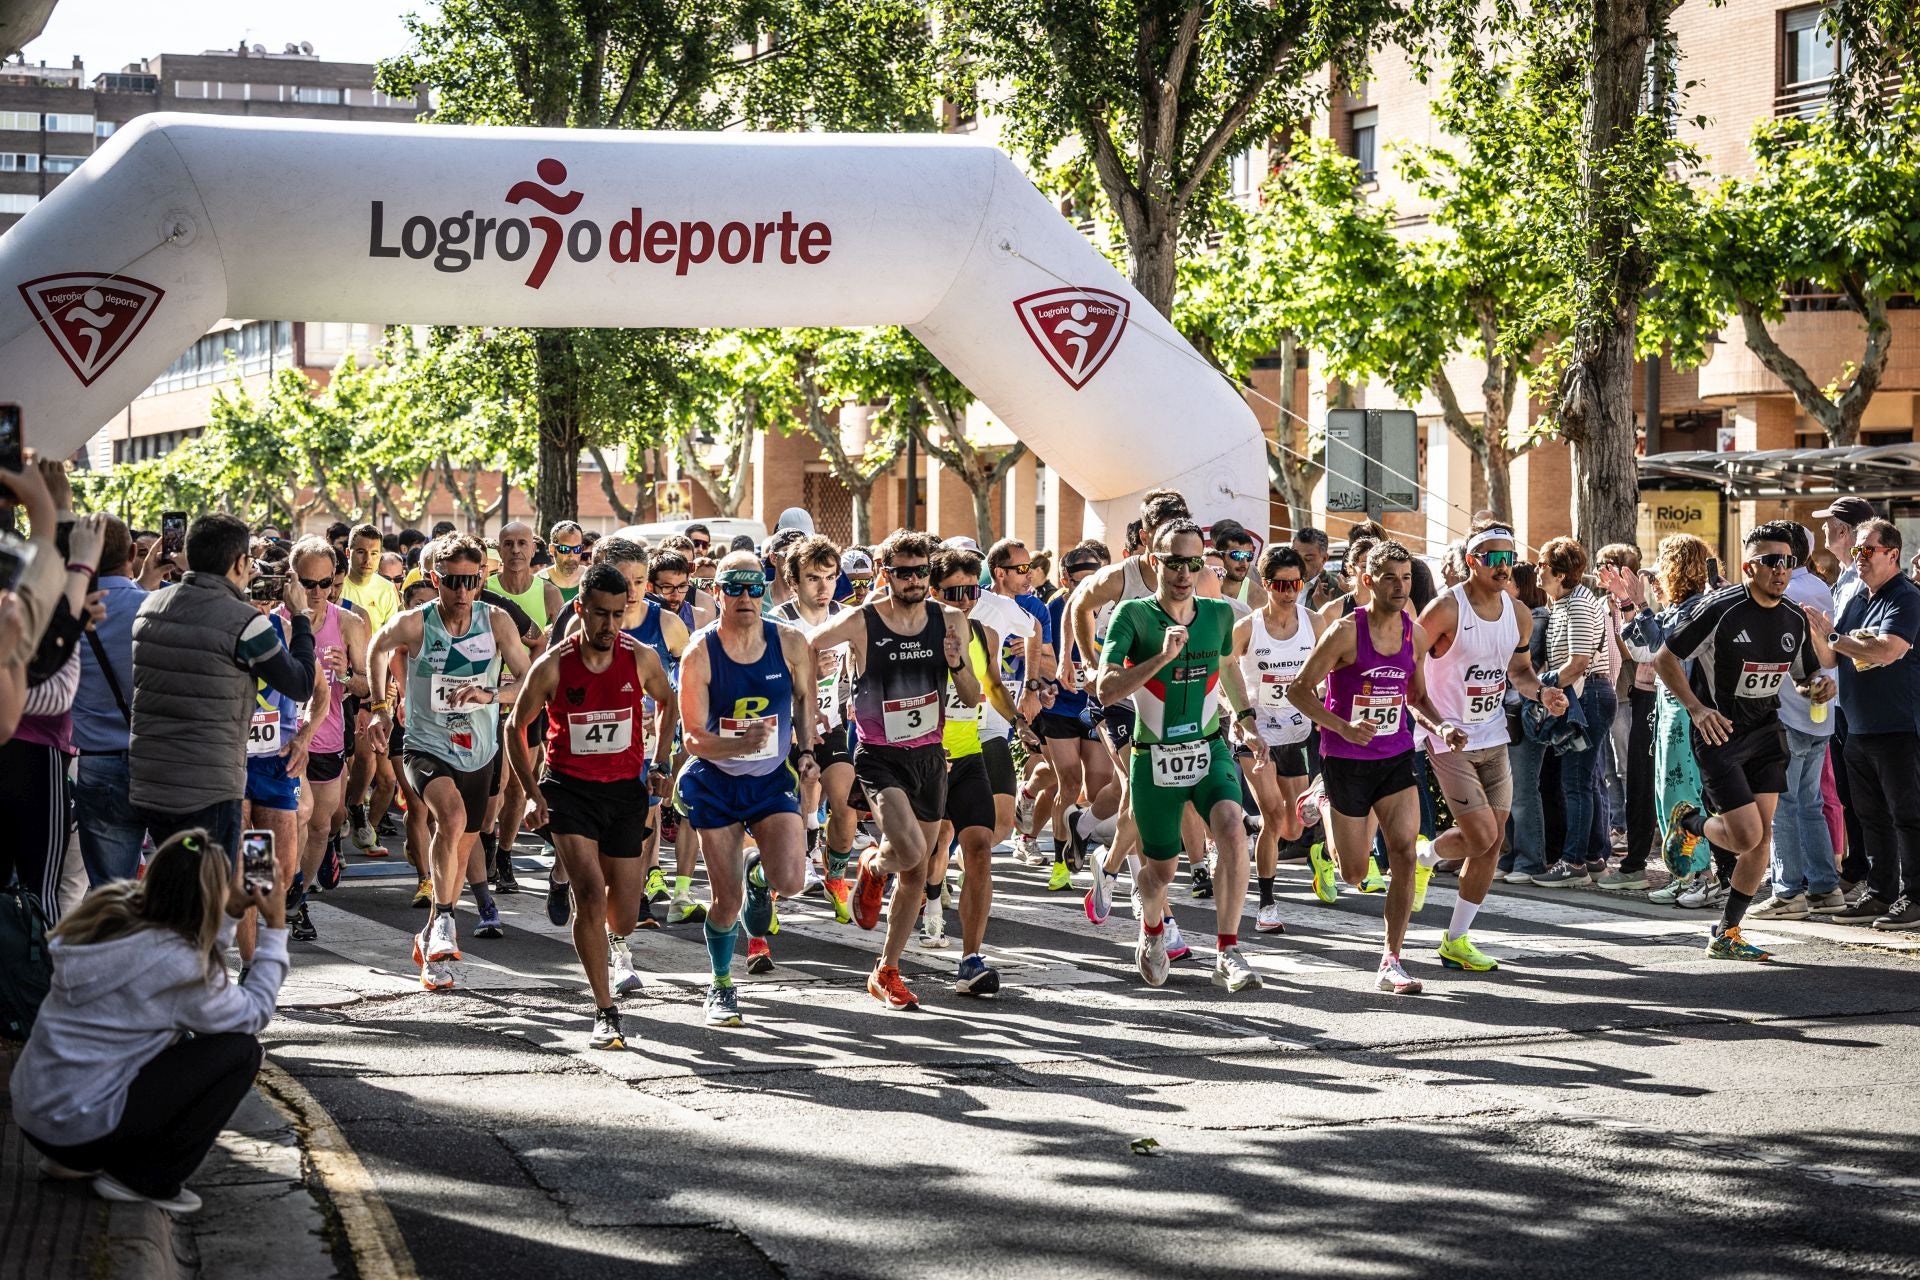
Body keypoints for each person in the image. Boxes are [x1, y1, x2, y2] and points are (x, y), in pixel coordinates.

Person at [13, 828, 287, 1215]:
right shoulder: (177, 965)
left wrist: (230, 912)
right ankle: (142, 1178)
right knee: (240, 1051)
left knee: (167, 1039)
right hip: (77, 1126)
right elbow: (254, 1011)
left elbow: (193, 952)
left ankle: (76, 1159)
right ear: (207, 897)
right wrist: (274, 927)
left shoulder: (112, 912)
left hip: (36, 1111)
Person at [807, 530, 979, 1010]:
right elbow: (803, 645)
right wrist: (812, 701)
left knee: (918, 871)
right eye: (903, 572)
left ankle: (887, 970)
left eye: (922, 571)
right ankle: (871, 863)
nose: (914, 580)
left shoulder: (949, 620)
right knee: (909, 849)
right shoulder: (862, 621)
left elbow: (968, 696)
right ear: (885, 573)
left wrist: (958, 662)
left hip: (929, 755)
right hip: (880, 757)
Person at [509, 564, 677, 1049]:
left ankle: (615, 939)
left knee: (622, 914)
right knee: (589, 891)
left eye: (617, 615)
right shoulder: (555, 665)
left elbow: (668, 703)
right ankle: (605, 1010)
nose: (609, 625)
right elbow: (514, 728)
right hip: (569, 789)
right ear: (580, 609)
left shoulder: (639, 657)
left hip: (624, 791)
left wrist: (660, 760)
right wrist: (533, 795)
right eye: (599, 614)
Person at [1289, 541, 1466, 995]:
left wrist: (1442, 727)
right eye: (1390, 577)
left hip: (1394, 756)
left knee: (1404, 852)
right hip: (1345, 760)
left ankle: (1392, 959)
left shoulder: (1416, 635)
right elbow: (1299, 691)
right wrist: (1344, 728)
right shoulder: (1345, 632)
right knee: (1352, 873)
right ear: (1368, 580)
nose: (1400, 586)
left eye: (1406, 578)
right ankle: (1323, 797)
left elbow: (1417, 697)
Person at [1096, 519, 1264, 993]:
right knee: (1161, 872)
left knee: (1233, 828)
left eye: (1193, 562)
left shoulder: (1218, 614)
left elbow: (1226, 667)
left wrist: (1246, 720)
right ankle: (1151, 930)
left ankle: (1227, 950)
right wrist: (1161, 659)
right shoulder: (1134, 615)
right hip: (1154, 756)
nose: (1184, 572)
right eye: (1173, 561)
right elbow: (1106, 689)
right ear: (1155, 562)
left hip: (1209, 748)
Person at [1654, 522, 1834, 960]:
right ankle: (1691, 823)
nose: (1781, 570)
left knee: (1761, 838)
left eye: (1788, 561)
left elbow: (1805, 675)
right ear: (1748, 566)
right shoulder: (1721, 608)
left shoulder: (1793, 615)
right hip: (1721, 733)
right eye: (1772, 561)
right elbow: (1664, 658)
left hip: (1767, 732)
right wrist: (1698, 709)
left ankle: (1727, 932)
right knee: (1745, 837)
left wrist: (1818, 687)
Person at [366, 535, 532, 988]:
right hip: (426, 744)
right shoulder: (415, 623)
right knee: (451, 817)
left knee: (460, 849)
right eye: (453, 581)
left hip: (480, 751)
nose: (462, 591)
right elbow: (377, 647)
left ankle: (429, 945)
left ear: (481, 579)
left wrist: (490, 696)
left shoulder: (495, 621)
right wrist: (381, 707)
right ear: (435, 579)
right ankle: (443, 920)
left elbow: (528, 678)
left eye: (471, 581)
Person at [677, 551, 818, 1024]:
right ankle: (720, 986)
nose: (744, 597)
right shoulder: (700, 651)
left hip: (769, 780)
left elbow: (804, 703)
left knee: (791, 881)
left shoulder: (791, 642)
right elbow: (693, 737)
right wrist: (736, 742)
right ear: (715, 592)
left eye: (754, 587)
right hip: (715, 782)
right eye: (733, 587)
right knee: (724, 901)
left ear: (765, 591)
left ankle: (760, 876)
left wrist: (806, 753)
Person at [1414, 524, 1562, 970]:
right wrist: (1436, 725)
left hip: (1494, 736)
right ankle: (1425, 855)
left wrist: (1542, 692)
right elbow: (1407, 669)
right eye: (1494, 558)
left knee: (1492, 844)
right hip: (1450, 739)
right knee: (1481, 835)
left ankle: (1456, 939)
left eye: (1510, 558)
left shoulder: (1517, 613)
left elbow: (1519, 672)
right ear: (1472, 561)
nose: (1505, 567)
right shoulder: (1445, 610)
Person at [130, 514, 317, 863]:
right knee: (218, 887)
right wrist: (302, 614)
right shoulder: (244, 622)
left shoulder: (149, 606)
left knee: (181, 884)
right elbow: (301, 683)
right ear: (242, 562)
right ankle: (270, 918)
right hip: (211, 787)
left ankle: (267, 913)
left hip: (153, 781)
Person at [928, 546, 1021, 992]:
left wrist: (1021, 724)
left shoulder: (983, 633)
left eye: (972, 589)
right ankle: (874, 871)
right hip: (920, 758)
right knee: (915, 858)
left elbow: (993, 686)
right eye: (953, 591)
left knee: (980, 848)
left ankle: (970, 962)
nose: (964, 599)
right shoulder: (914, 632)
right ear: (933, 590)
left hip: (968, 752)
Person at [1821, 518, 1920, 928]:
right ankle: (1880, 892)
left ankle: (1914, 897)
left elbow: (1888, 650)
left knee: (1908, 814)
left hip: (1899, 725)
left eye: (1867, 550)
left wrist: (1832, 638)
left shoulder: (1906, 596)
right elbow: (1832, 659)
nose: (1858, 558)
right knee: (1869, 814)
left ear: (1891, 554)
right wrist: (1817, 634)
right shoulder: (1856, 597)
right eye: (1857, 550)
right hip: (1857, 724)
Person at [1745, 524, 1842, 920]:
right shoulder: (1819, 587)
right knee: (1809, 803)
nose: (1775, 568)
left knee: (1784, 804)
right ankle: (1824, 887)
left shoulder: (1786, 595)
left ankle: (1788, 891)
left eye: (1775, 558)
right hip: (1819, 714)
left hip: (1789, 713)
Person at [1229, 545, 1328, 933]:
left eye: (1296, 584)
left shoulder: (1314, 623)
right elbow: (1224, 672)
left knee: (1292, 828)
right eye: (1281, 585)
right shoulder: (1247, 627)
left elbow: (1330, 673)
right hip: (1257, 736)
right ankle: (1267, 904)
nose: (1289, 592)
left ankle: (1248, 822)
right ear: (1266, 584)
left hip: (1298, 732)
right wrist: (1241, 717)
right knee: (1275, 818)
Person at [774, 534, 860, 921]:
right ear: (793, 581)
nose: (823, 586)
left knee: (846, 804)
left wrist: (853, 696)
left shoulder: (845, 616)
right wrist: (805, 668)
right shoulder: (778, 622)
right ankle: (768, 893)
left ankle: (836, 875)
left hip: (830, 724)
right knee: (787, 814)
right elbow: (766, 678)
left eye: (829, 576)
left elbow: (852, 671)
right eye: (812, 577)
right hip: (785, 729)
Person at [1530, 538, 1617, 886]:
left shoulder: (1579, 605)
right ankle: (1593, 857)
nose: (1537, 569)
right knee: (1587, 780)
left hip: (1588, 696)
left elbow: (1579, 662)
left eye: (1542, 564)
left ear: (1561, 573)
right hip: (1585, 696)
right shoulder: (1567, 602)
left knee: (1576, 782)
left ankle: (1574, 862)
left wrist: (1542, 685)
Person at [71, 516, 153, 885]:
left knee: (109, 891)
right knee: (178, 883)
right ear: (133, 553)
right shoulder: (157, 608)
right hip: (158, 761)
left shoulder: (65, 615)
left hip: (96, 764)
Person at [542, 521, 588, 604]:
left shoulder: (592, 580)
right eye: (564, 549)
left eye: (577, 549)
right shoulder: (538, 582)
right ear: (552, 549)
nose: (571, 555)